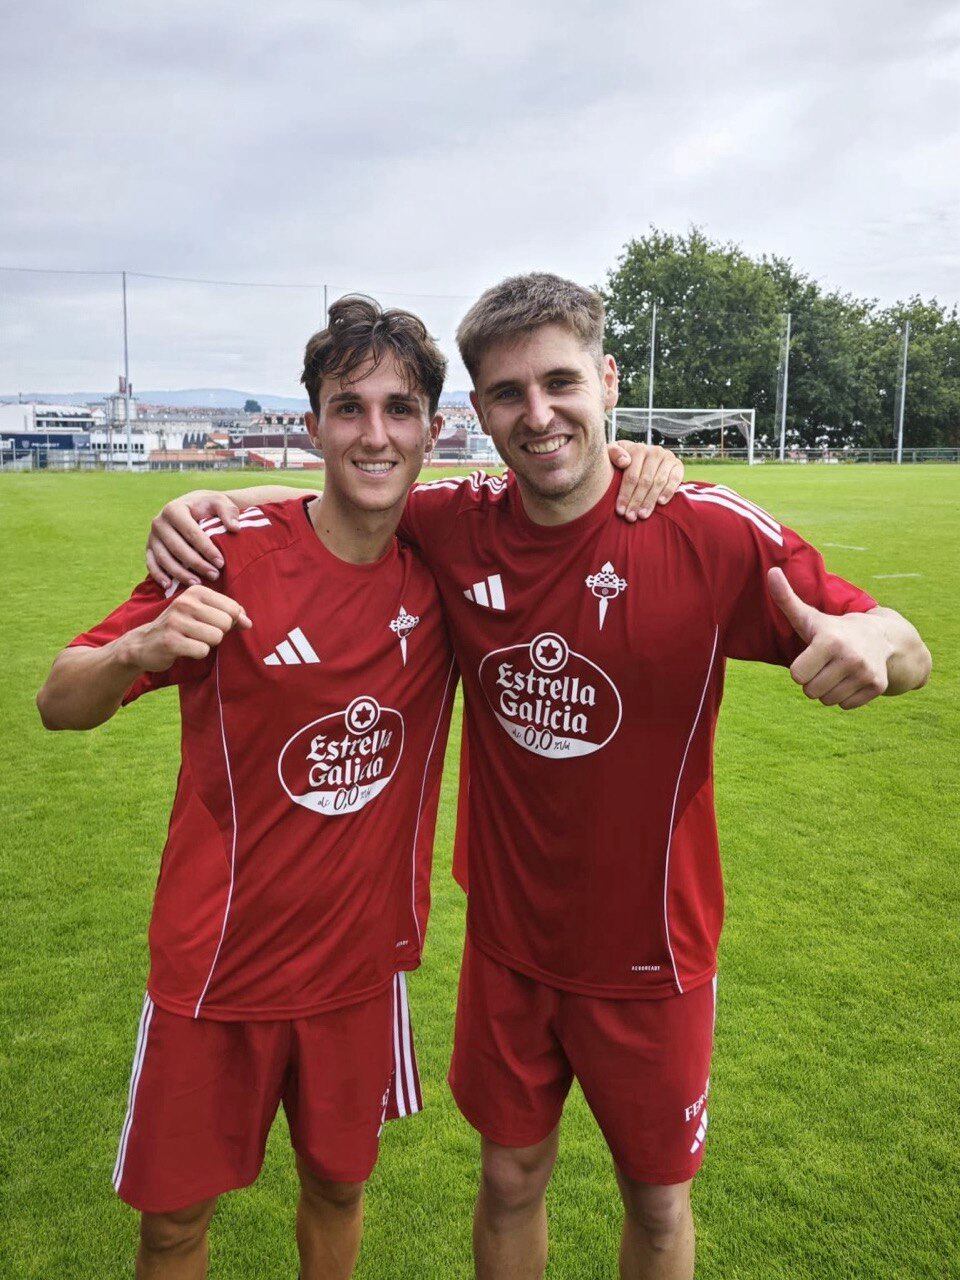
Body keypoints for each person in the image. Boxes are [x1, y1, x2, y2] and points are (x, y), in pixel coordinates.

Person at [145, 274, 931, 1280]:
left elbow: (897, 637)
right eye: (508, 393)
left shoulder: (706, 531)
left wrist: (872, 646)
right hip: (509, 946)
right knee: (510, 1179)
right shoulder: (458, 524)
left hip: (655, 950)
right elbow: (349, 493)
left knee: (656, 1205)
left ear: (607, 381)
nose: (539, 412)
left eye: (561, 382)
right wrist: (206, 499)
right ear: (476, 412)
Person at [38, 294, 682, 1280]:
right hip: (214, 969)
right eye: (349, 407)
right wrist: (139, 644)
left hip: (356, 977)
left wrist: (646, 458)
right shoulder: (228, 552)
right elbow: (58, 701)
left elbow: (567, 505)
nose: (374, 433)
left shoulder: (440, 572)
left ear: (434, 426)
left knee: (339, 1189)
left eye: (397, 409)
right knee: (172, 1224)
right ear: (313, 425)